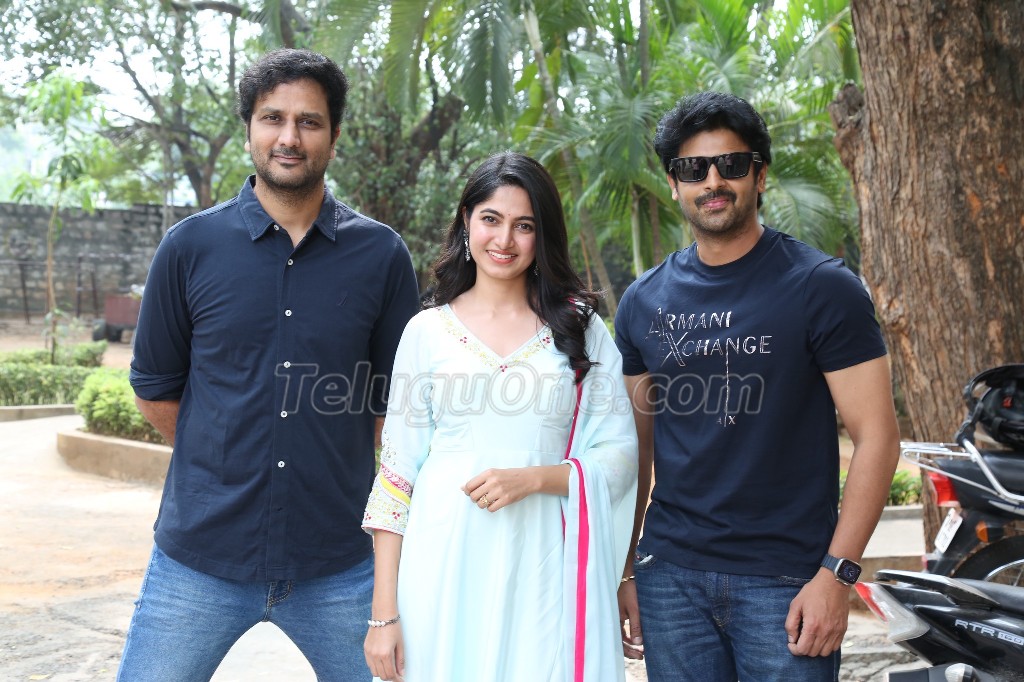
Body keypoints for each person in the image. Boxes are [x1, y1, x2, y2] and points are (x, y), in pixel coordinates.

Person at [120, 48, 420, 681]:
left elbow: (392, 406)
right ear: (249, 129)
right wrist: (220, 455)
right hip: (199, 560)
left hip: (340, 562)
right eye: (272, 118)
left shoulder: (381, 255)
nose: (290, 137)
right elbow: (154, 388)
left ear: (334, 136)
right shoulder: (189, 247)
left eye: (309, 122)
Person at [613, 92, 901, 681]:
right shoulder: (642, 301)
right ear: (673, 183)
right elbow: (636, 448)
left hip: (787, 582)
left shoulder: (823, 287)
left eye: (732, 164)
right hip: (670, 578)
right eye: (694, 168)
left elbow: (877, 438)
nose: (713, 181)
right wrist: (627, 569)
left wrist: (837, 575)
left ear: (760, 175)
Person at [361, 151, 639, 682]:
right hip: (443, 566)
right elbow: (396, 479)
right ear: (467, 220)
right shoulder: (426, 332)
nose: (504, 240)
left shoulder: (580, 330)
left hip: (544, 565)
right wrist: (384, 615)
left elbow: (621, 456)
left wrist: (534, 478)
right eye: (491, 219)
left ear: (542, 235)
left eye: (524, 225)